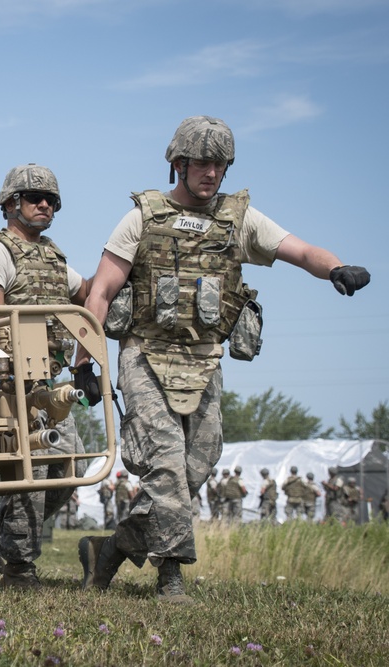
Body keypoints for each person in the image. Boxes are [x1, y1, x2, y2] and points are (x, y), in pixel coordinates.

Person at [74, 115, 370, 603]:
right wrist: (87, 363)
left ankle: (108, 552)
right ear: (179, 164)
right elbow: (101, 293)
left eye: (221, 164)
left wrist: (335, 267)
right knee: (165, 467)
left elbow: (300, 250)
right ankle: (170, 578)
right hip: (146, 356)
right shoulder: (143, 217)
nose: (212, 173)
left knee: (196, 468)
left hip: (204, 360)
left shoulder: (239, 220)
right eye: (203, 163)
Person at [0, 164, 91, 588]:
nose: (45, 205)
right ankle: (18, 568)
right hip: (5, 382)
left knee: (71, 467)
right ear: (11, 204)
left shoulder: (52, 257)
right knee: (31, 470)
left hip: (47, 384)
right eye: (35, 198)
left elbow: (87, 296)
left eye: (51, 199)